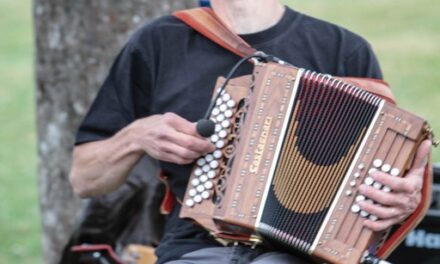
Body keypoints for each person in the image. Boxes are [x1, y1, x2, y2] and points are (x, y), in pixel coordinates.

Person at [69, 0, 432, 263]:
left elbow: (392, 186)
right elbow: (84, 179)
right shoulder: (158, 44)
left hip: (308, 255)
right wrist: (136, 135)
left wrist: (401, 201)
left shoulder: (344, 50)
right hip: (197, 250)